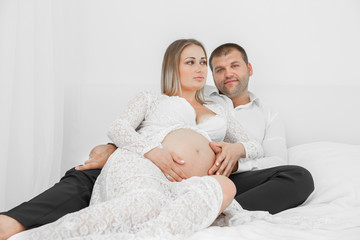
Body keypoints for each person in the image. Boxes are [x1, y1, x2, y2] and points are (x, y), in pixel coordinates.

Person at [0, 41, 314, 239]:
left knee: (298, 176)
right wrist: (149, 151)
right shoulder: (153, 99)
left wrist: (237, 147)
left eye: (203, 62)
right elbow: (119, 129)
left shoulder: (221, 108)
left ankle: (205, 208)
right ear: (172, 67)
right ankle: (17, 225)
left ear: (248, 69)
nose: (202, 68)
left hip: (204, 183)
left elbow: (256, 147)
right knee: (91, 176)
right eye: (193, 62)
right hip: (150, 167)